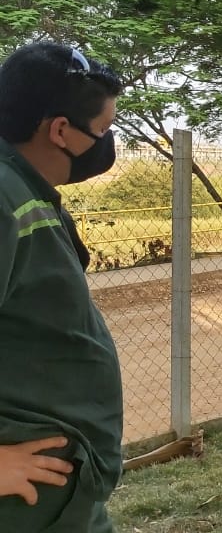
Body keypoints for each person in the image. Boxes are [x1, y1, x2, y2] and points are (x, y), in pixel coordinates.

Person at [0, 42, 124, 532]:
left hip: (62, 494)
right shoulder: (4, 198)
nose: (106, 144)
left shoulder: (25, 190)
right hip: (25, 501)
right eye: (103, 131)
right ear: (59, 131)